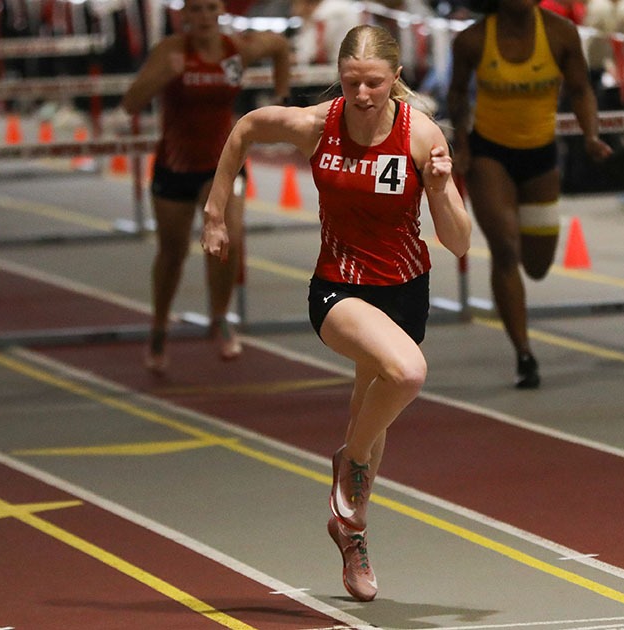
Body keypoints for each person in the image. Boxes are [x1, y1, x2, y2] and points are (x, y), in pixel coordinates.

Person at [201, 24, 471, 602]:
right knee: (408, 374)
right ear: (339, 80)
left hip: (405, 290)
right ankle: (345, 468)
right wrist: (216, 210)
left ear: (396, 79)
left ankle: (352, 533)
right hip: (338, 290)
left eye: (374, 83)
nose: (363, 95)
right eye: (351, 83)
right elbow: (246, 128)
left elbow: (460, 241)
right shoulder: (317, 124)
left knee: (372, 418)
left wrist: (444, 190)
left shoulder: (420, 135)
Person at [447, 0, 611, 389]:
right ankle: (524, 353)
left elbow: (581, 89)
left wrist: (590, 136)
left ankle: (521, 336)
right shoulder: (472, 40)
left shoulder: (560, 34)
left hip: (541, 156)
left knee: (537, 265)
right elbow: (456, 94)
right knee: (505, 249)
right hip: (491, 155)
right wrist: (464, 145)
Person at [121, 0, 291, 373]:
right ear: (183, 17)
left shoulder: (237, 50)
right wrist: (162, 76)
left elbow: (279, 46)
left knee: (229, 239)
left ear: (219, 13)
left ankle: (220, 315)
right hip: (175, 165)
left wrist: (281, 98)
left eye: (208, 9)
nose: (201, 17)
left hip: (222, 164)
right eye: (193, 10)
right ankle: (160, 326)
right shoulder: (170, 51)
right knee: (173, 253)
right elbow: (131, 103)